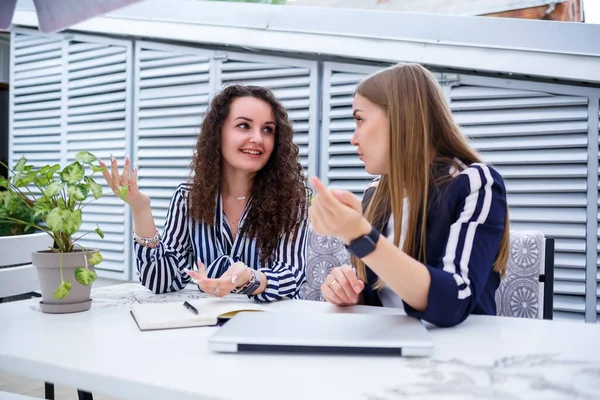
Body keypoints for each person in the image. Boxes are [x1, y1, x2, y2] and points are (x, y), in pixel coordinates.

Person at [309, 63, 509, 327]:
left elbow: (453, 302)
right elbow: (383, 297)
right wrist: (350, 292)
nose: (353, 138)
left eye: (360, 119)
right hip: (390, 346)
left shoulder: (473, 182)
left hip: (460, 353)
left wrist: (360, 236)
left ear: (402, 119)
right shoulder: (375, 193)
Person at [101, 84, 310, 302]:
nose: (258, 138)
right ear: (218, 133)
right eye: (244, 126)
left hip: (269, 326)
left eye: (268, 129)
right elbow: (160, 281)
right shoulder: (187, 200)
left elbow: (292, 276)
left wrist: (250, 279)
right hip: (203, 324)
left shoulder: (293, 200)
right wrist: (140, 209)